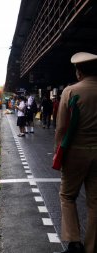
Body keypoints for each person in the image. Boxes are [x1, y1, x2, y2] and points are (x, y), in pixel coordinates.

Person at [55, 52, 97, 253]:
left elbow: (61, 128)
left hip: (76, 153)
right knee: (95, 202)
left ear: (79, 72)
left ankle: (74, 243)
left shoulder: (71, 92)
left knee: (68, 196)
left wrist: (58, 153)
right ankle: (91, 247)